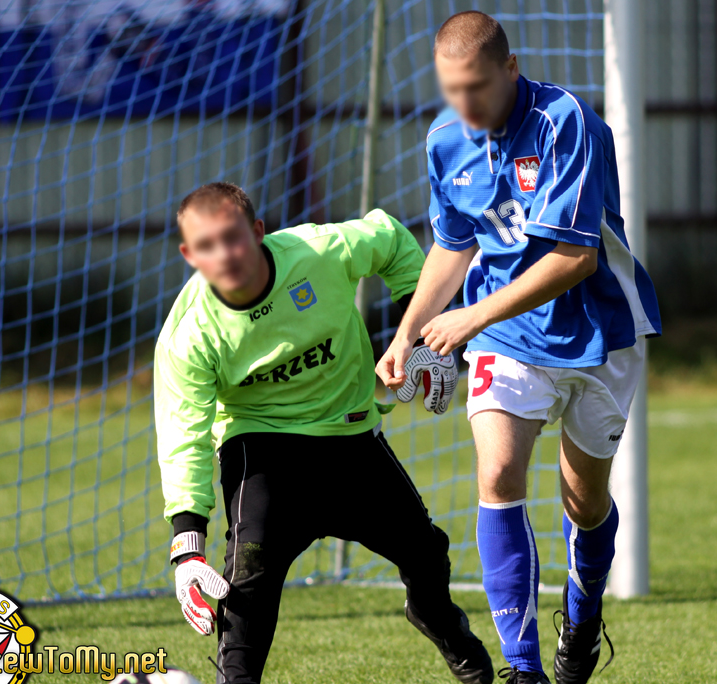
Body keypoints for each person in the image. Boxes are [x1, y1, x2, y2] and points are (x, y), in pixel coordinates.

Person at [376, 12, 662, 684]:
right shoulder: (445, 140)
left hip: (600, 334)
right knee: (499, 479)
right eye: (450, 89)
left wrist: (468, 317)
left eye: (475, 86)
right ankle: (523, 670)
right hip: (509, 340)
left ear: (510, 69)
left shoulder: (567, 123)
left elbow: (574, 260)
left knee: (582, 503)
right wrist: (408, 329)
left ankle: (584, 615)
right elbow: (453, 245)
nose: (463, 103)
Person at [155, 182, 494, 684]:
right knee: (247, 582)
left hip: (350, 438)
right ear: (189, 254)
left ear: (258, 232)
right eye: (206, 246)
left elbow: (393, 239)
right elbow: (184, 437)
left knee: (425, 553)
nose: (223, 255)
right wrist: (186, 546)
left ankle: (438, 620)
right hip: (262, 449)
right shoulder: (190, 334)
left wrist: (421, 335)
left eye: (232, 238)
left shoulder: (319, 250)